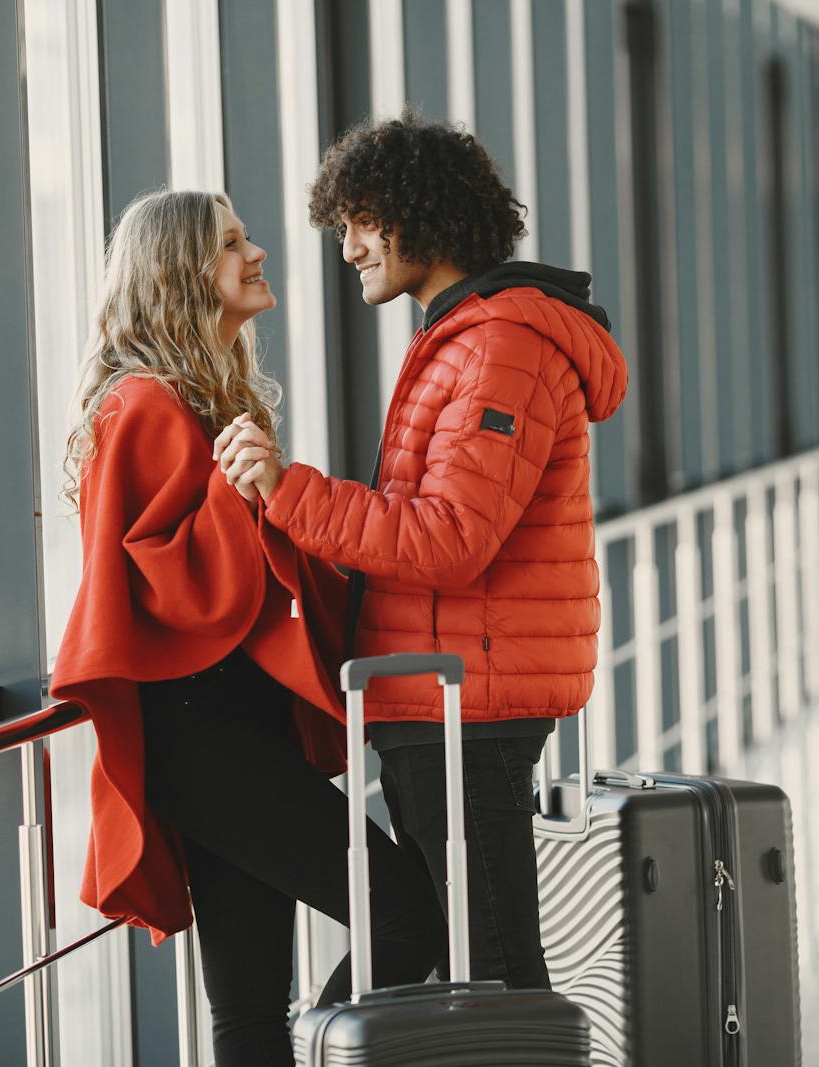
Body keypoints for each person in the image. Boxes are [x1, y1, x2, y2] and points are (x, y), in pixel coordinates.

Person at [216, 110, 629, 991]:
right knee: (460, 955)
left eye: (364, 222)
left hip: (465, 707)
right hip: (443, 700)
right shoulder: (466, 338)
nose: (350, 248)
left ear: (422, 215)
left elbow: (448, 538)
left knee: (499, 970)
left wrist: (290, 493)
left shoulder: (498, 348)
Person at [49, 189, 444, 1067]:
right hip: (204, 736)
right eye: (231, 243)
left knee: (249, 1012)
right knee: (409, 913)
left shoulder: (193, 401)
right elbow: (163, 584)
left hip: (224, 732)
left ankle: (316, 1045)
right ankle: (335, 1048)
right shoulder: (142, 405)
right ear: (182, 272)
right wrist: (250, 488)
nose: (256, 252)